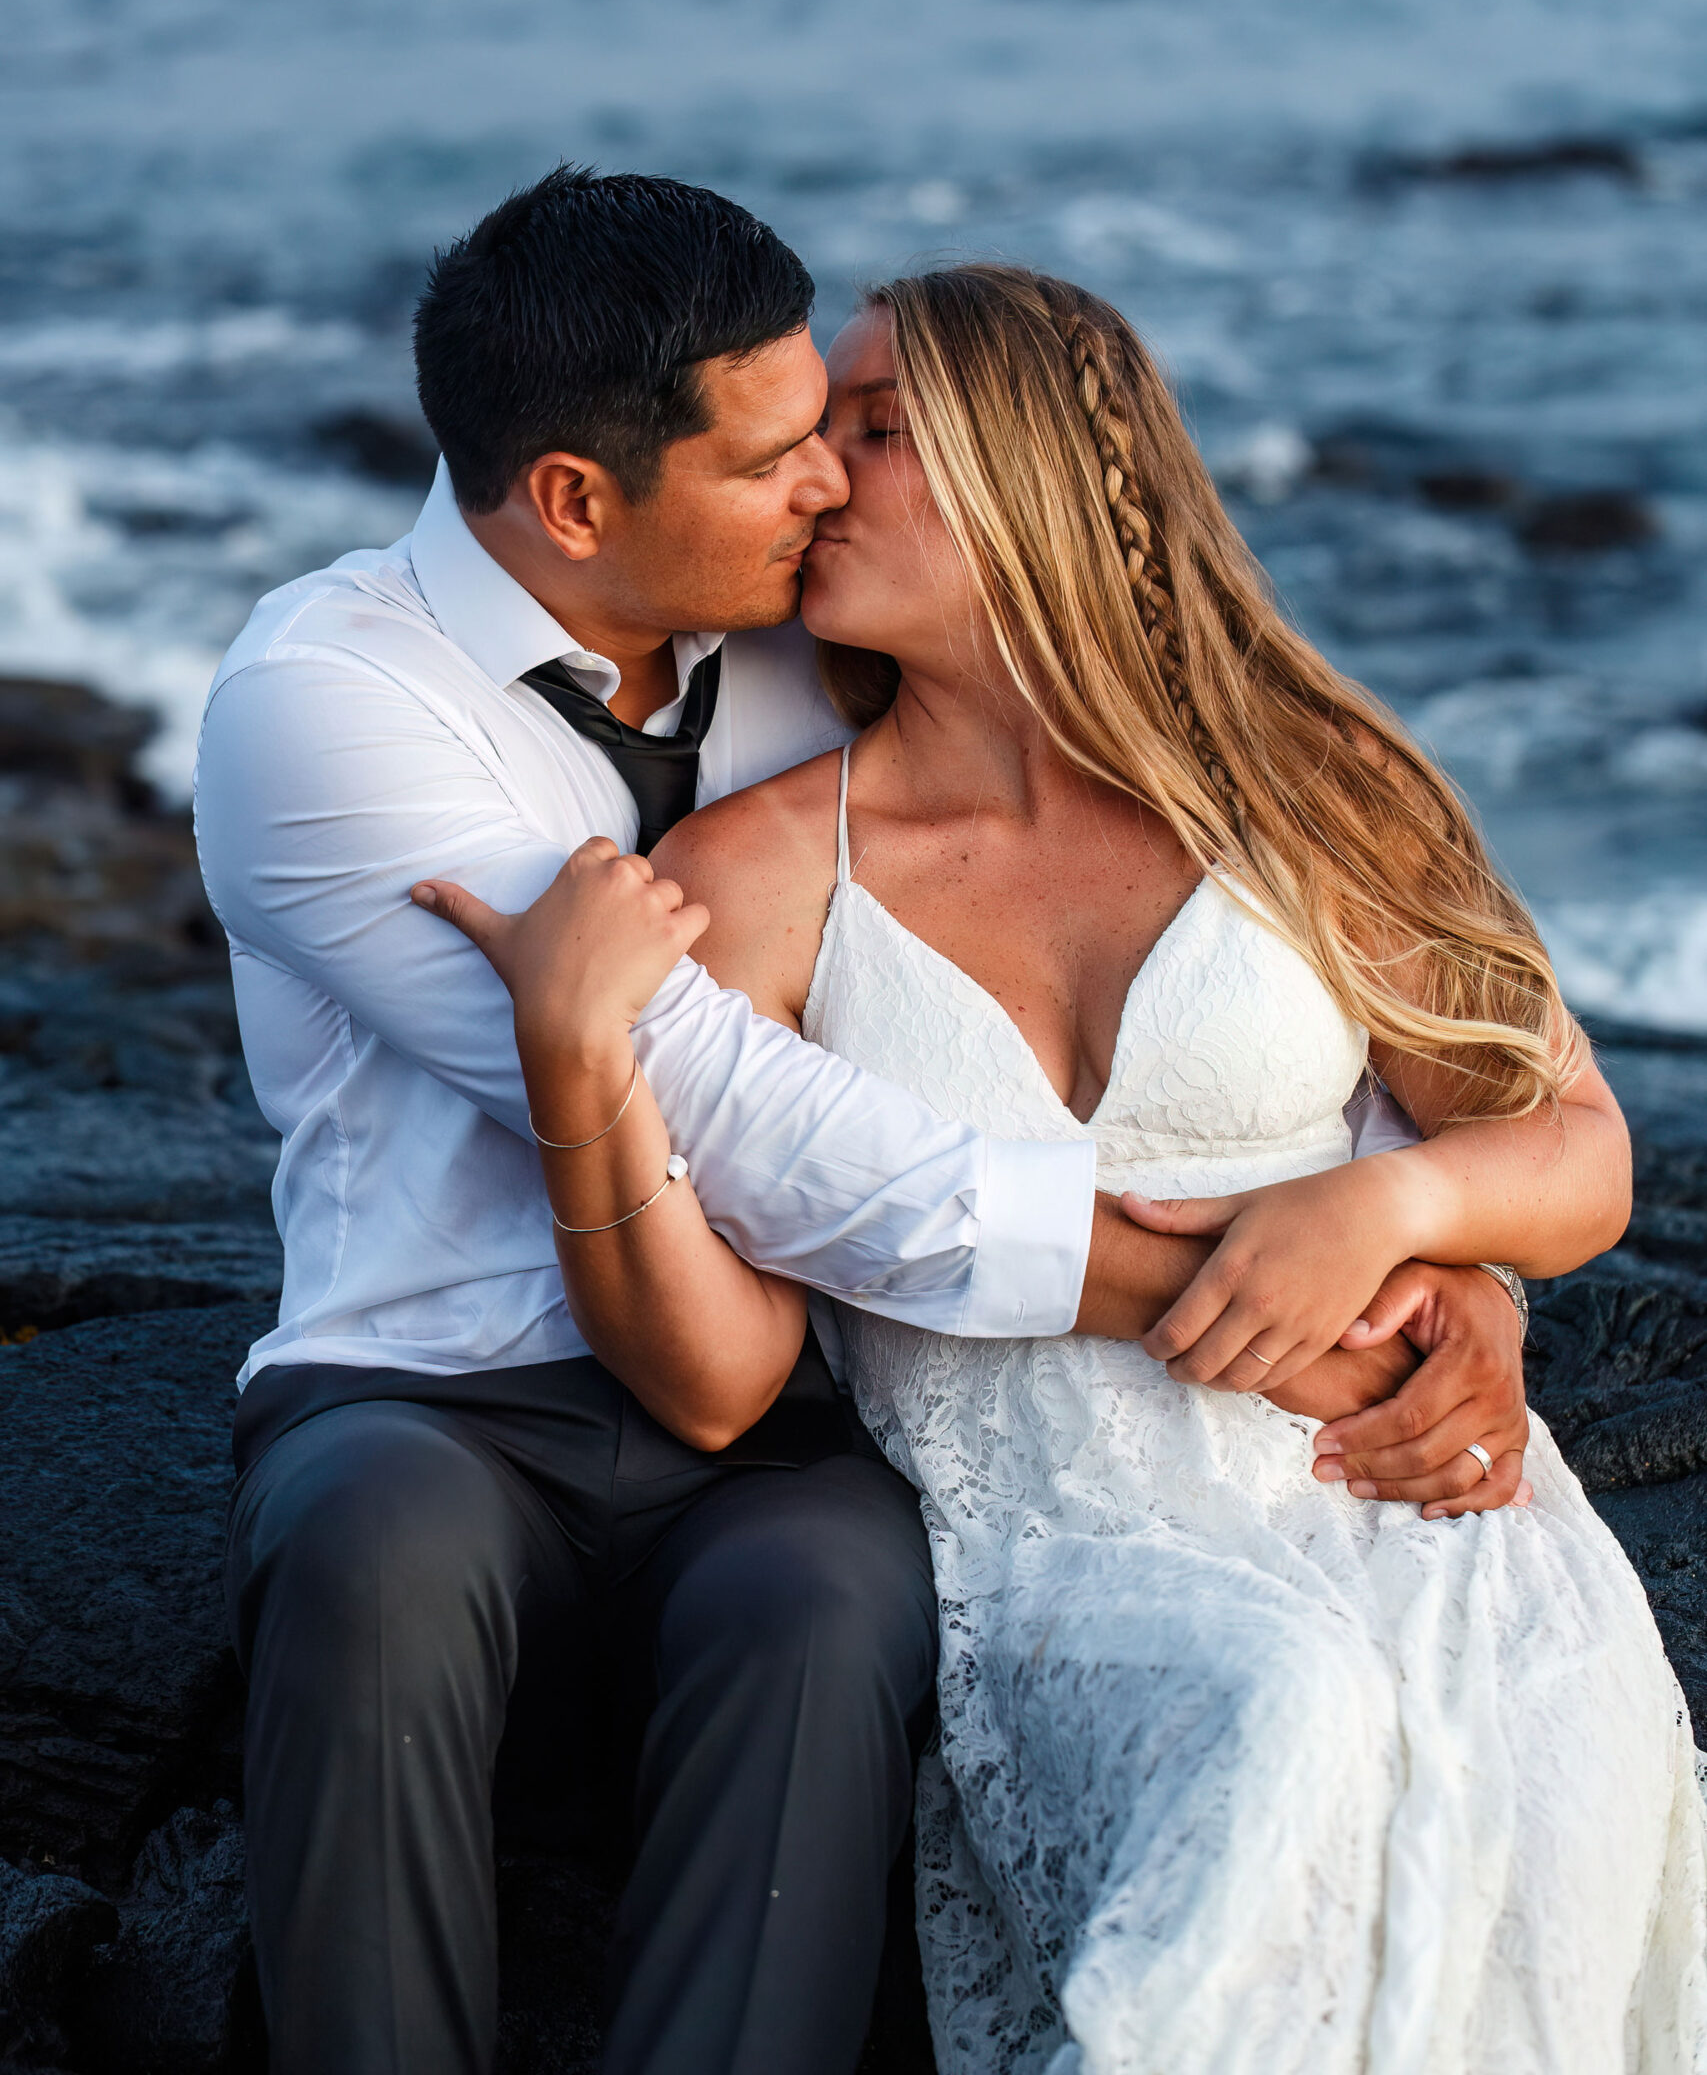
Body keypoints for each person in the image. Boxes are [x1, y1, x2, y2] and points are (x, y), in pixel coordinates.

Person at [198, 167, 1526, 2075]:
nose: (830, 484)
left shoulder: (827, 654)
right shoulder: (322, 707)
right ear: (576, 498)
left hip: (790, 1405)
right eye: (777, 457)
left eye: (839, 430)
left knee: (826, 1593)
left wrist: (1429, 1236)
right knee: (373, 1546)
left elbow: (1115, 813)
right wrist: (1198, 1290)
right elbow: (719, 1099)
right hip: (434, 1385)